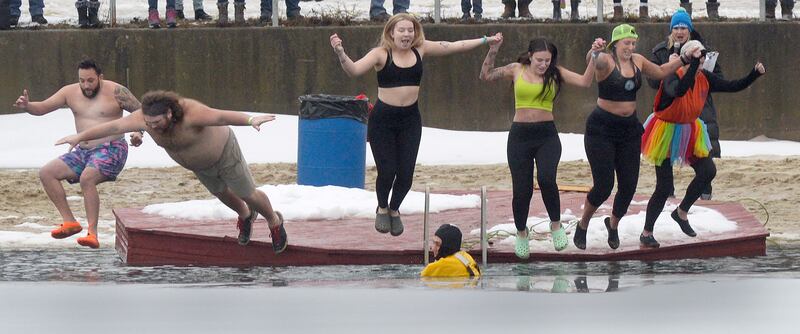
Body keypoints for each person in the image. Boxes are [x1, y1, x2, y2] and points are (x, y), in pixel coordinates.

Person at [329, 13, 500, 237]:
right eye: (402, 30)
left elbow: (454, 46)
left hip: (410, 120)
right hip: (383, 120)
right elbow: (354, 70)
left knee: (406, 175)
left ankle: (394, 208)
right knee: (387, 171)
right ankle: (382, 207)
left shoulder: (421, 49)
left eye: (410, 30)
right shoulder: (381, 54)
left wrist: (487, 40)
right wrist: (341, 53)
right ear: (391, 32)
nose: (407, 34)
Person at [56, 90, 289, 254]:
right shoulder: (145, 117)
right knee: (222, 193)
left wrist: (251, 119)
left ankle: (273, 220)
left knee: (245, 192)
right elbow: (114, 126)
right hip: (199, 165)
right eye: (148, 123)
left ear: (169, 114)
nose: (151, 127)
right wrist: (79, 137)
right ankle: (246, 216)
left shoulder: (191, 113)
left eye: (156, 123)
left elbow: (220, 115)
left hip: (224, 153)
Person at [574, 24, 695, 250]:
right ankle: (583, 224)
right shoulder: (606, 61)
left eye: (632, 43)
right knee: (604, 185)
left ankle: (613, 223)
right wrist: (594, 50)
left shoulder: (638, 60)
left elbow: (659, 72)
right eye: (625, 43)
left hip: (629, 130)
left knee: (628, 185)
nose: (630, 47)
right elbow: (592, 59)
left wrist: (684, 59)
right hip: (601, 130)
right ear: (615, 44)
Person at [479, 35, 600, 258]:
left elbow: (585, 82)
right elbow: (485, 75)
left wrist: (594, 56)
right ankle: (522, 232)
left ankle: (556, 225)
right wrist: (493, 49)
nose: (544, 64)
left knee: (546, 179)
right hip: (520, 137)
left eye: (547, 60)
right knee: (522, 189)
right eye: (539, 60)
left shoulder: (556, 73)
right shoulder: (517, 69)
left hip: (547, 136)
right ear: (530, 56)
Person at [639, 40, 765, 248]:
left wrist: (754, 74)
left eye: (703, 57)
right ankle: (646, 232)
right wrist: (690, 65)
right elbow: (679, 91)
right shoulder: (672, 74)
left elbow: (732, 86)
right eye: (697, 57)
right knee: (663, 188)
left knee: (708, 171)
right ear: (687, 58)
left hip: (690, 130)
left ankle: (681, 212)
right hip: (664, 132)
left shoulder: (704, 77)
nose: (701, 61)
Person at [12, 59, 144, 249]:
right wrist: (28, 106)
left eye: (90, 81)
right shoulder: (69, 92)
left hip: (112, 148)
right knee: (47, 173)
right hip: (83, 151)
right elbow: (43, 108)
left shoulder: (116, 91)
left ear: (100, 77)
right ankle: (70, 222)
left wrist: (138, 133)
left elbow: (141, 113)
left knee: (87, 178)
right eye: (82, 80)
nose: (86, 85)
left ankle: (93, 233)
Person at [649, 7, 723, 200]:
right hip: (671, 111)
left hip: (699, 108)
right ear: (671, 30)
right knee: (665, 156)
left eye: (684, 27)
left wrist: (703, 72)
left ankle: (705, 194)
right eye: (676, 28)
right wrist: (670, 68)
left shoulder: (703, 49)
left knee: (704, 155)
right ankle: (668, 195)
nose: (680, 32)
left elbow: (719, 79)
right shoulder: (661, 51)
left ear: (689, 30)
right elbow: (651, 81)